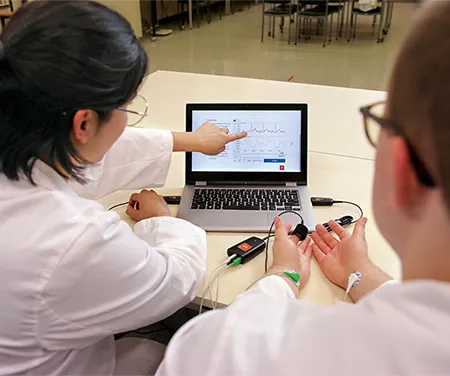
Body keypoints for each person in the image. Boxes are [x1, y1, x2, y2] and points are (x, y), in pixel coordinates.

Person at [156, 1, 450, 375]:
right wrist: (360, 272)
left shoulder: (226, 354)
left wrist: (283, 273)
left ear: (403, 170)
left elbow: (235, 341)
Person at [0, 1, 246, 375]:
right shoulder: (71, 239)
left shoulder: (21, 128)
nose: (127, 121)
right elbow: (174, 282)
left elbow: (79, 160)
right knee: (179, 350)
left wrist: (188, 141)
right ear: (83, 123)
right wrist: (162, 221)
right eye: (127, 109)